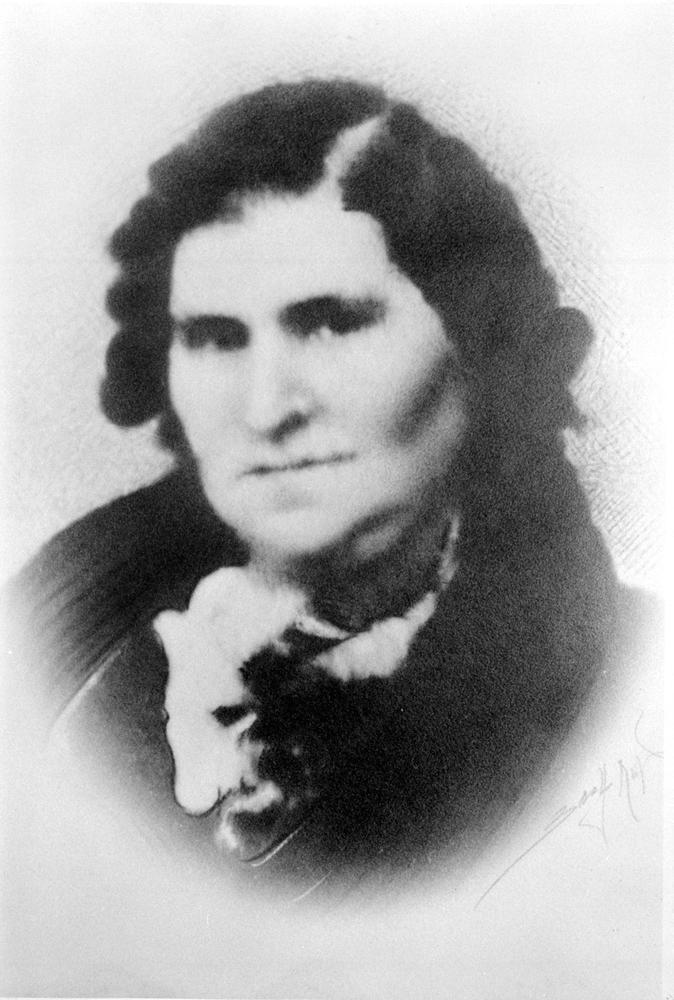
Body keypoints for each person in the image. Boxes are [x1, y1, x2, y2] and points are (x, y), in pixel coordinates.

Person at [6, 78, 640, 899]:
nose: (266, 408)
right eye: (214, 337)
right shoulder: (59, 625)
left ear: (483, 346)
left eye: (332, 323)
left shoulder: (629, 690)